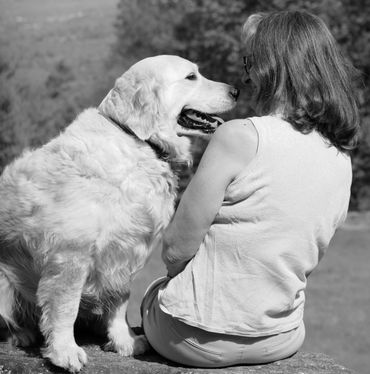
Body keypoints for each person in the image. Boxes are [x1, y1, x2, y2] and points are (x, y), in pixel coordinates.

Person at [141, 10, 360, 367]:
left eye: (250, 61)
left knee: (154, 296)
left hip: (192, 337)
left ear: (270, 67)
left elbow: (176, 248)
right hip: (280, 337)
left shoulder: (239, 136)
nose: (246, 75)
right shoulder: (340, 156)